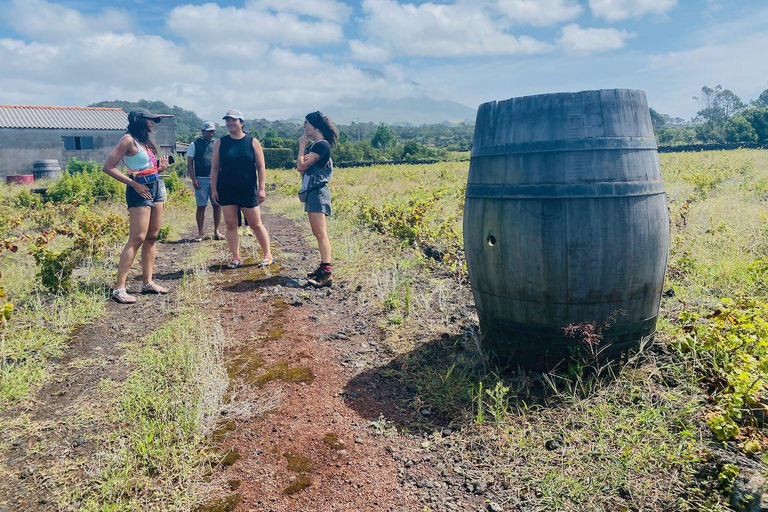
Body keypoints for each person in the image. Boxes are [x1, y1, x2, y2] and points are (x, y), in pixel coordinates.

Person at [103, 108, 170, 303]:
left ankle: (147, 282)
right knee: (137, 237)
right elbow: (108, 167)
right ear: (137, 120)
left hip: (155, 186)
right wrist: (133, 183)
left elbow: (146, 167)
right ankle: (119, 288)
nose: (152, 123)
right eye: (149, 120)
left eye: (153, 121)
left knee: (151, 237)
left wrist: (160, 167)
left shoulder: (144, 143)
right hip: (138, 189)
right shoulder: (127, 140)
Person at [210, 109, 273, 269]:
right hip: (226, 188)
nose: (230, 123)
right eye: (228, 120)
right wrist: (214, 189)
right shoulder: (220, 143)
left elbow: (261, 167)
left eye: (234, 120)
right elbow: (215, 167)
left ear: (242, 123)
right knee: (230, 224)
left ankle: (268, 255)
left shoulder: (252, 141)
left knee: (255, 224)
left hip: (247, 189)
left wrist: (261, 188)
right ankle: (236, 256)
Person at [296, 111, 338, 288]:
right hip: (314, 192)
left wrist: (302, 146)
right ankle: (323, 268)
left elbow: (300, 167)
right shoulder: (319, 146)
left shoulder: (320, 146)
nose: (304, 126)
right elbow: (305, 169)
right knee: (318, 233)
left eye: (307, 123)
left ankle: (326, 272)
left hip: (317, 192)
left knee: (321, 234)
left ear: (315, 125)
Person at [187, 121, 223, 241]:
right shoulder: (194, 144)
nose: (211, 133)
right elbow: (189, 163)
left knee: (217, 206)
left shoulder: (217, 144)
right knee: (201, 206)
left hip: (215, 179)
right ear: (202, 132)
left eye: (213, 131)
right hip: (201, 180)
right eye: (209, 131)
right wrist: (194, 178)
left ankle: (216, 231)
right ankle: (200, 233)